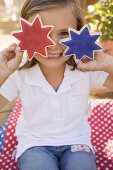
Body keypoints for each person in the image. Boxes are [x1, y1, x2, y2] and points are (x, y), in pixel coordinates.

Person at [0, 0, 113, 169]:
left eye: (63, 33)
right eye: (42, 32)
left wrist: (106, 62)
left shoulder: (87, 68)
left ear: (79, 32)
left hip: (77, 142)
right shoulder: (19, 73)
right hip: (34, 144)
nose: (53, 44)